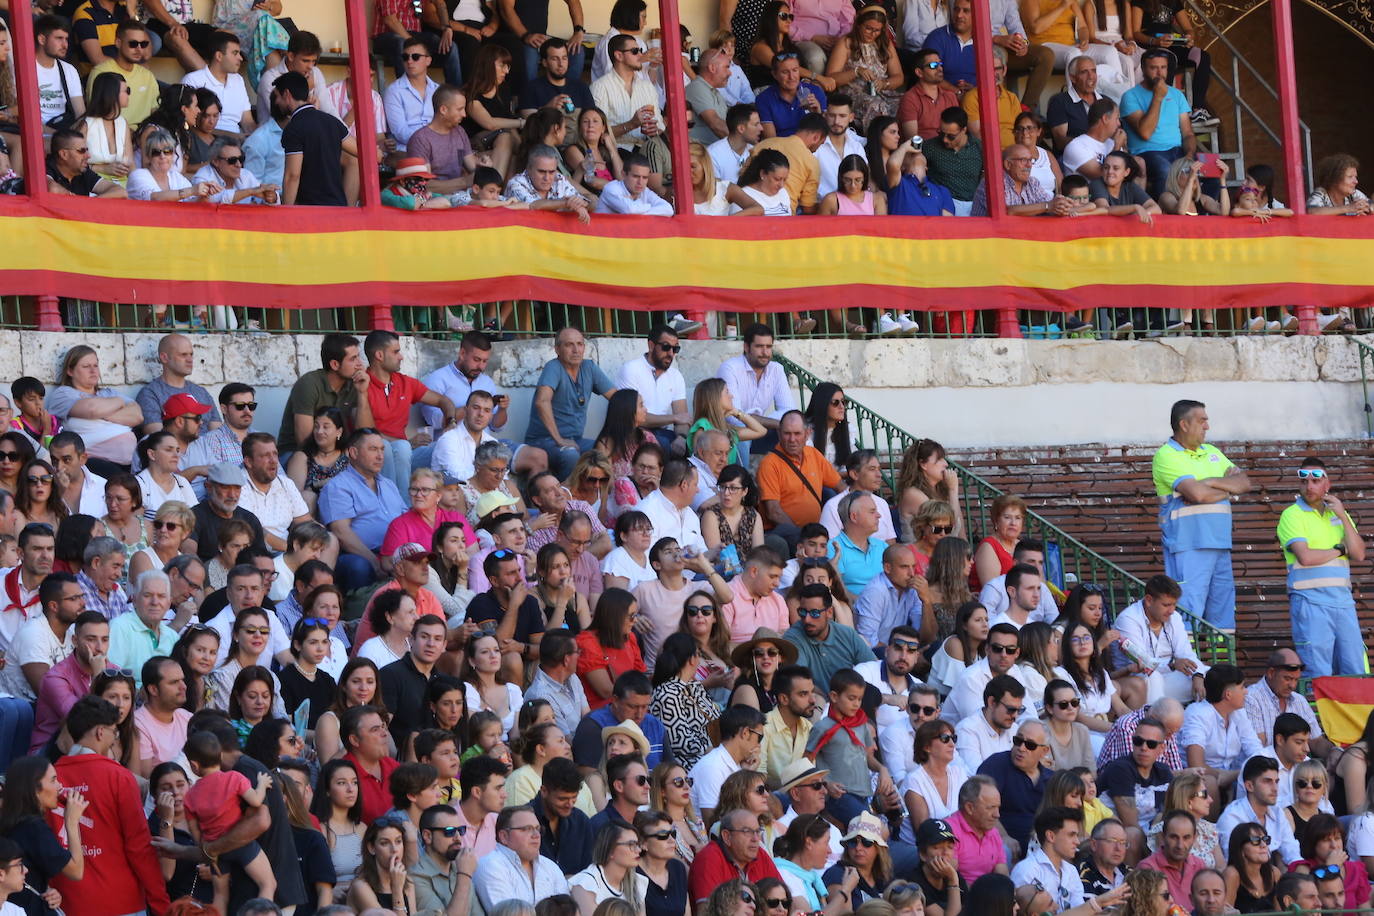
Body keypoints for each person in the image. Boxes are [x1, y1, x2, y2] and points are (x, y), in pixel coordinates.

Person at [48, 695, 170, 916]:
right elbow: (139, 847)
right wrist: (160, 902)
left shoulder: (48, 778)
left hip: (65, 903)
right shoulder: (119, 777)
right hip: (120, 902)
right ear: (100, 732)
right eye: (114, 732)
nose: (115, 739)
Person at [1274, 458, 1367, 677]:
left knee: (1354, 670)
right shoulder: (1291, 515)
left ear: (1327, 484)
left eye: (1315, 481)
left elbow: (1359, 553)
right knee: (1318, 672)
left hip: (1343, 602)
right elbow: (1305, 557)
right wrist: (1339, 549)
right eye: (1304, 481)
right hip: (1310, 602)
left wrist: (1343, 515)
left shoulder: (1338, 514)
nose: (1309, 486)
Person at [183, 730, 276, 914]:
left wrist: (209, 853)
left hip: (216, 853)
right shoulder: (234, 778)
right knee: (268, 883)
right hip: (242, 844)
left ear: (194, 765)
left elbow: (196, 835)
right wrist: (262, 784)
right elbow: (256, 801)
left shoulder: (190, 796)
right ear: (220, 755)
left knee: (220, 896)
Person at [320, 429, 409, 591]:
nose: (380, 456)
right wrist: (375, 562)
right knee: (358, 566)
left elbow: (407, 521)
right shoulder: (338, 486)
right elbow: (341, 532)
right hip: (361, 555)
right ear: (354, 452)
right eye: (373, 449)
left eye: (382, 449)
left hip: (395, 554)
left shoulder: (389, 485)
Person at [525, 328, 618, 480]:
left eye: (579, 344)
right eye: (569, 345)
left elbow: (617, 399)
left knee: (607, 448)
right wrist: (559, 440)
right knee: (570, 456)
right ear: (557, 349)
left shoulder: (589, 367)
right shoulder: (553, 367)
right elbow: (542, 402)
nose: (576, 350)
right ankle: (568, 501)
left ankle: (602, 500)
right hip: (543, 440)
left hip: (575, 440)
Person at [1112, 575, 1208, 705]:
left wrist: (1197, 675)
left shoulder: (1175, 618)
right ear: (1149, 600)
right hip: (1138, 681)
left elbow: (1186, 654)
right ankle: (1158, 721)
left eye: (1174, 604)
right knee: (1154, 678)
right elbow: (1142, 663)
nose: (1171, 611)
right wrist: (1173, 665)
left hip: (1169, 677)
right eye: (1166, 605)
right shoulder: (1128, 619)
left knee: (1213, 678)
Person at [1119, 49, 1197, 198]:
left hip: (1178, 150)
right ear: (1143, 69)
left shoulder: (1177, 94)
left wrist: (1189, 154)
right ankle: (1165, 216)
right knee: (1165, 170)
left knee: (1209, 169)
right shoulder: (1130, 96)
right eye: (1153, 68)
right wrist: (1158, 97)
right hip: (1147, 152)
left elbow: (1187, 133)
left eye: (1163, 67)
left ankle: (1204, 215)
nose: (1159, 73)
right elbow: (1145, 132)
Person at [273, 71, 357, 206]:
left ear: (287, 94)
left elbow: (292, 176)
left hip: (310, 209)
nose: (276, 102)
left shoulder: (294, 128)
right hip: (338, 206)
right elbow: (360, 152)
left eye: (277, 96)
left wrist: (286, 211)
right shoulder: (332, 121)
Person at [30, 610, 109, 753]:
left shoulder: (114, 670)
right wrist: (99, 677)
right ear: (75, 641)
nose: (99, 647)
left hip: (98, 748)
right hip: (48, 754)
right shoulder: (55, 677)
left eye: (104, 640)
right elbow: (82, 721)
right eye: (91, 639)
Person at [1181, 665, 1261, 795]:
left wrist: (1238, 774)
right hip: (1192, 785)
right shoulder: (1197, 714)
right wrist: (1231, 775)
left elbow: (1255, 749)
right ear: (1228, 695)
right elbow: (1196, 765)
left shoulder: (1239, 713)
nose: (1246, 692)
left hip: (1231, 779)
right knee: (1209, 782)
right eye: (1242, 687)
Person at [975, 718, 1053, 852]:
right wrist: (1003, 836)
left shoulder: (1051, 779)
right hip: (999, 843)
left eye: (1030, 745)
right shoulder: (996, 765)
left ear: (1044, 751)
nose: (1021, 748)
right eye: (1018, 741)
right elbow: (980, 807)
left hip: (1041, 846)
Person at [473, 807, 571, 907]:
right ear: (504, 836)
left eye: (538, 829)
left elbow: (566, 911)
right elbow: (506, 914)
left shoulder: (550, 866)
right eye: (526, 829)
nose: (536, 835)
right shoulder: (490, 866)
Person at [688, 808, 783, 905]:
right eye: (747, 831)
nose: (755, 839)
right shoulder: (708, 858)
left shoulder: (760, 855)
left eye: (757, 832)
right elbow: (706, 911)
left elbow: (783, 898)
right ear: (727, 836)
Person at [1216, 756, 1300, 865]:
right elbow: (1234, 865)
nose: (1275, 788)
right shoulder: (1232, 818)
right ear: (1249, 786)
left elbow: (1292, 854)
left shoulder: (1277, 812)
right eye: (1267, 781)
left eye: (1276, 781)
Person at [1099, 715, 1172, 838]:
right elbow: (1130, 823)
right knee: (1133, 835)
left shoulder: (1164, 773)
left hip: (1146, 832)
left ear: (1162, 748)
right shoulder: (1120, 769)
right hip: (1109, 833)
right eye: (1138, 741)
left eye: (1151, 744)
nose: (1143, 748)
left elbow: (1171, 813)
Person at [1010, 807, 1087, 910]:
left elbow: (1079, 909)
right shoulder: (1026, 870)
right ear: (1051, 836)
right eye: (1071, 835)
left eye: (1077, 835)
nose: (1077, 841)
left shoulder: (1071, 870)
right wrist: (1098, 903)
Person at [411, 803, 480, 916]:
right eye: (449, 831)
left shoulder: (460, 867)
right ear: (427, 836)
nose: (458, 837)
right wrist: (464, 875)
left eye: (461, 830)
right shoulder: (416, 877)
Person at [947, 777, 1006, 885]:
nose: (997, 814)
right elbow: (950, 881)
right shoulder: (949, 832)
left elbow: (1002, 873)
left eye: (998, 807)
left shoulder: (993, 832)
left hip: (988, 894)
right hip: (960, 896)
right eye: (990, 807)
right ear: (970, 808)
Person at [1220, 822, 1279, 913]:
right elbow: (1226, 913)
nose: (1263, 845)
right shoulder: (1232, 874)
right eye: (1255, 840)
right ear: (1241, 848)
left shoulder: (1274, 873)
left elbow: (1281, 912)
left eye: (1266, 839)